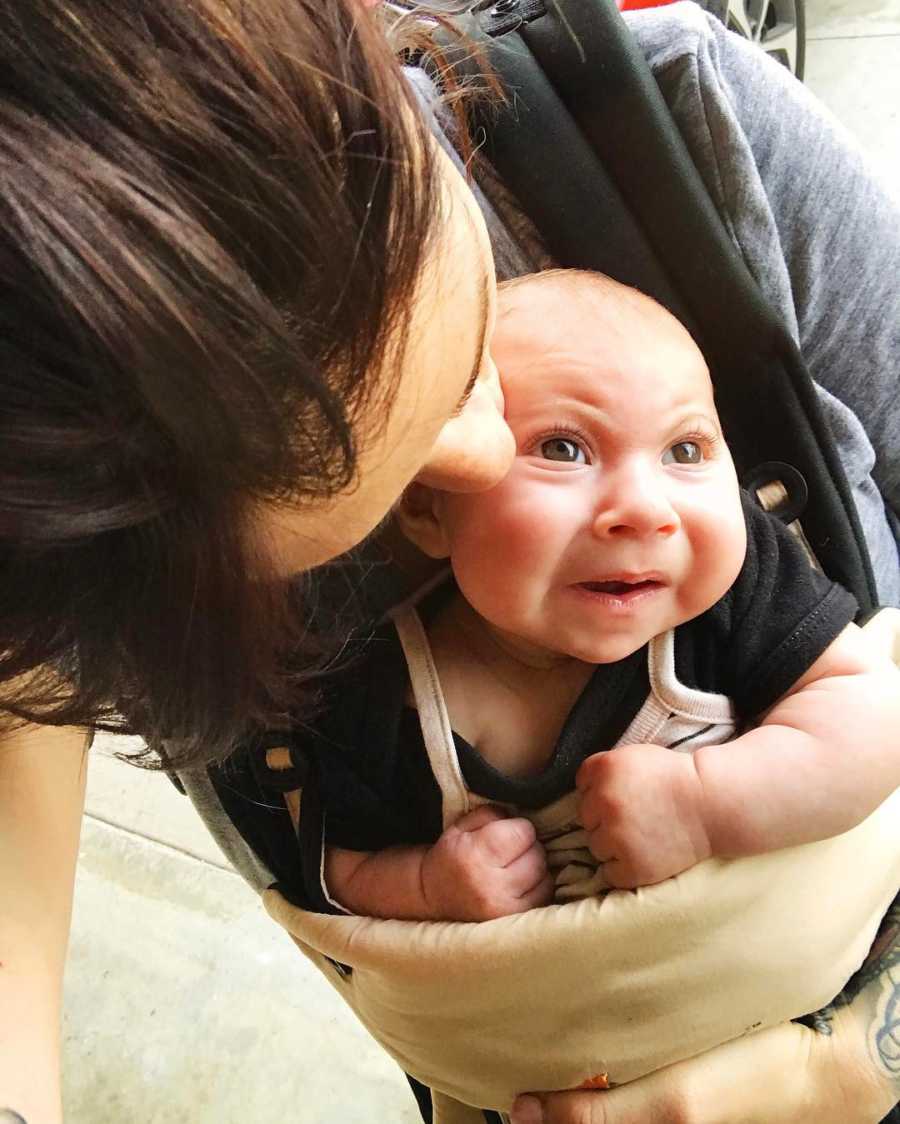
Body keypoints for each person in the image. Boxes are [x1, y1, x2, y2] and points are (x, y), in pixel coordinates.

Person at [0, 3, 897, 1123]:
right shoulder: (96, 559)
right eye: (379, 497)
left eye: (469, 362)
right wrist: (427, 890)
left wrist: (856, 1059)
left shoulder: (666, 132)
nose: (479, 462)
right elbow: (335, 886)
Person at [319, 269, 900, 925]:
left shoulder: (741, 587)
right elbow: (334, 869)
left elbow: (875, 719)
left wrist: (704, 807)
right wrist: (426, 886)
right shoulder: (372, 696)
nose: (645, 510)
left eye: (685, 449)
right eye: (564, 448)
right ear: (427, 506)